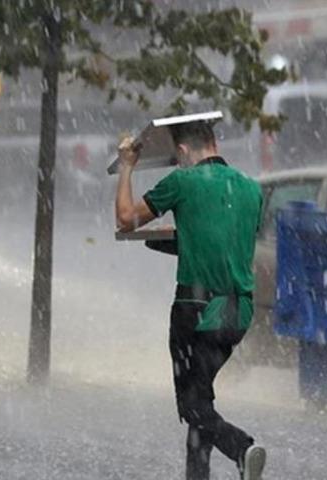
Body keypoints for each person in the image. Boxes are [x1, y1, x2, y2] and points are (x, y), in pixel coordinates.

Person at [115, 120, 266, 480]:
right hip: (238, 314)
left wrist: (126, 168)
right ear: (214, 142)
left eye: (178, 157)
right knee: (202, 403)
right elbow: (223, 243)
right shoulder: (251, 189)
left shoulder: (182, 182)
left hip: (196, 311)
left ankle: (242, 449)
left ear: (182, 151)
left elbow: (125, 219)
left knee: (192, 407)